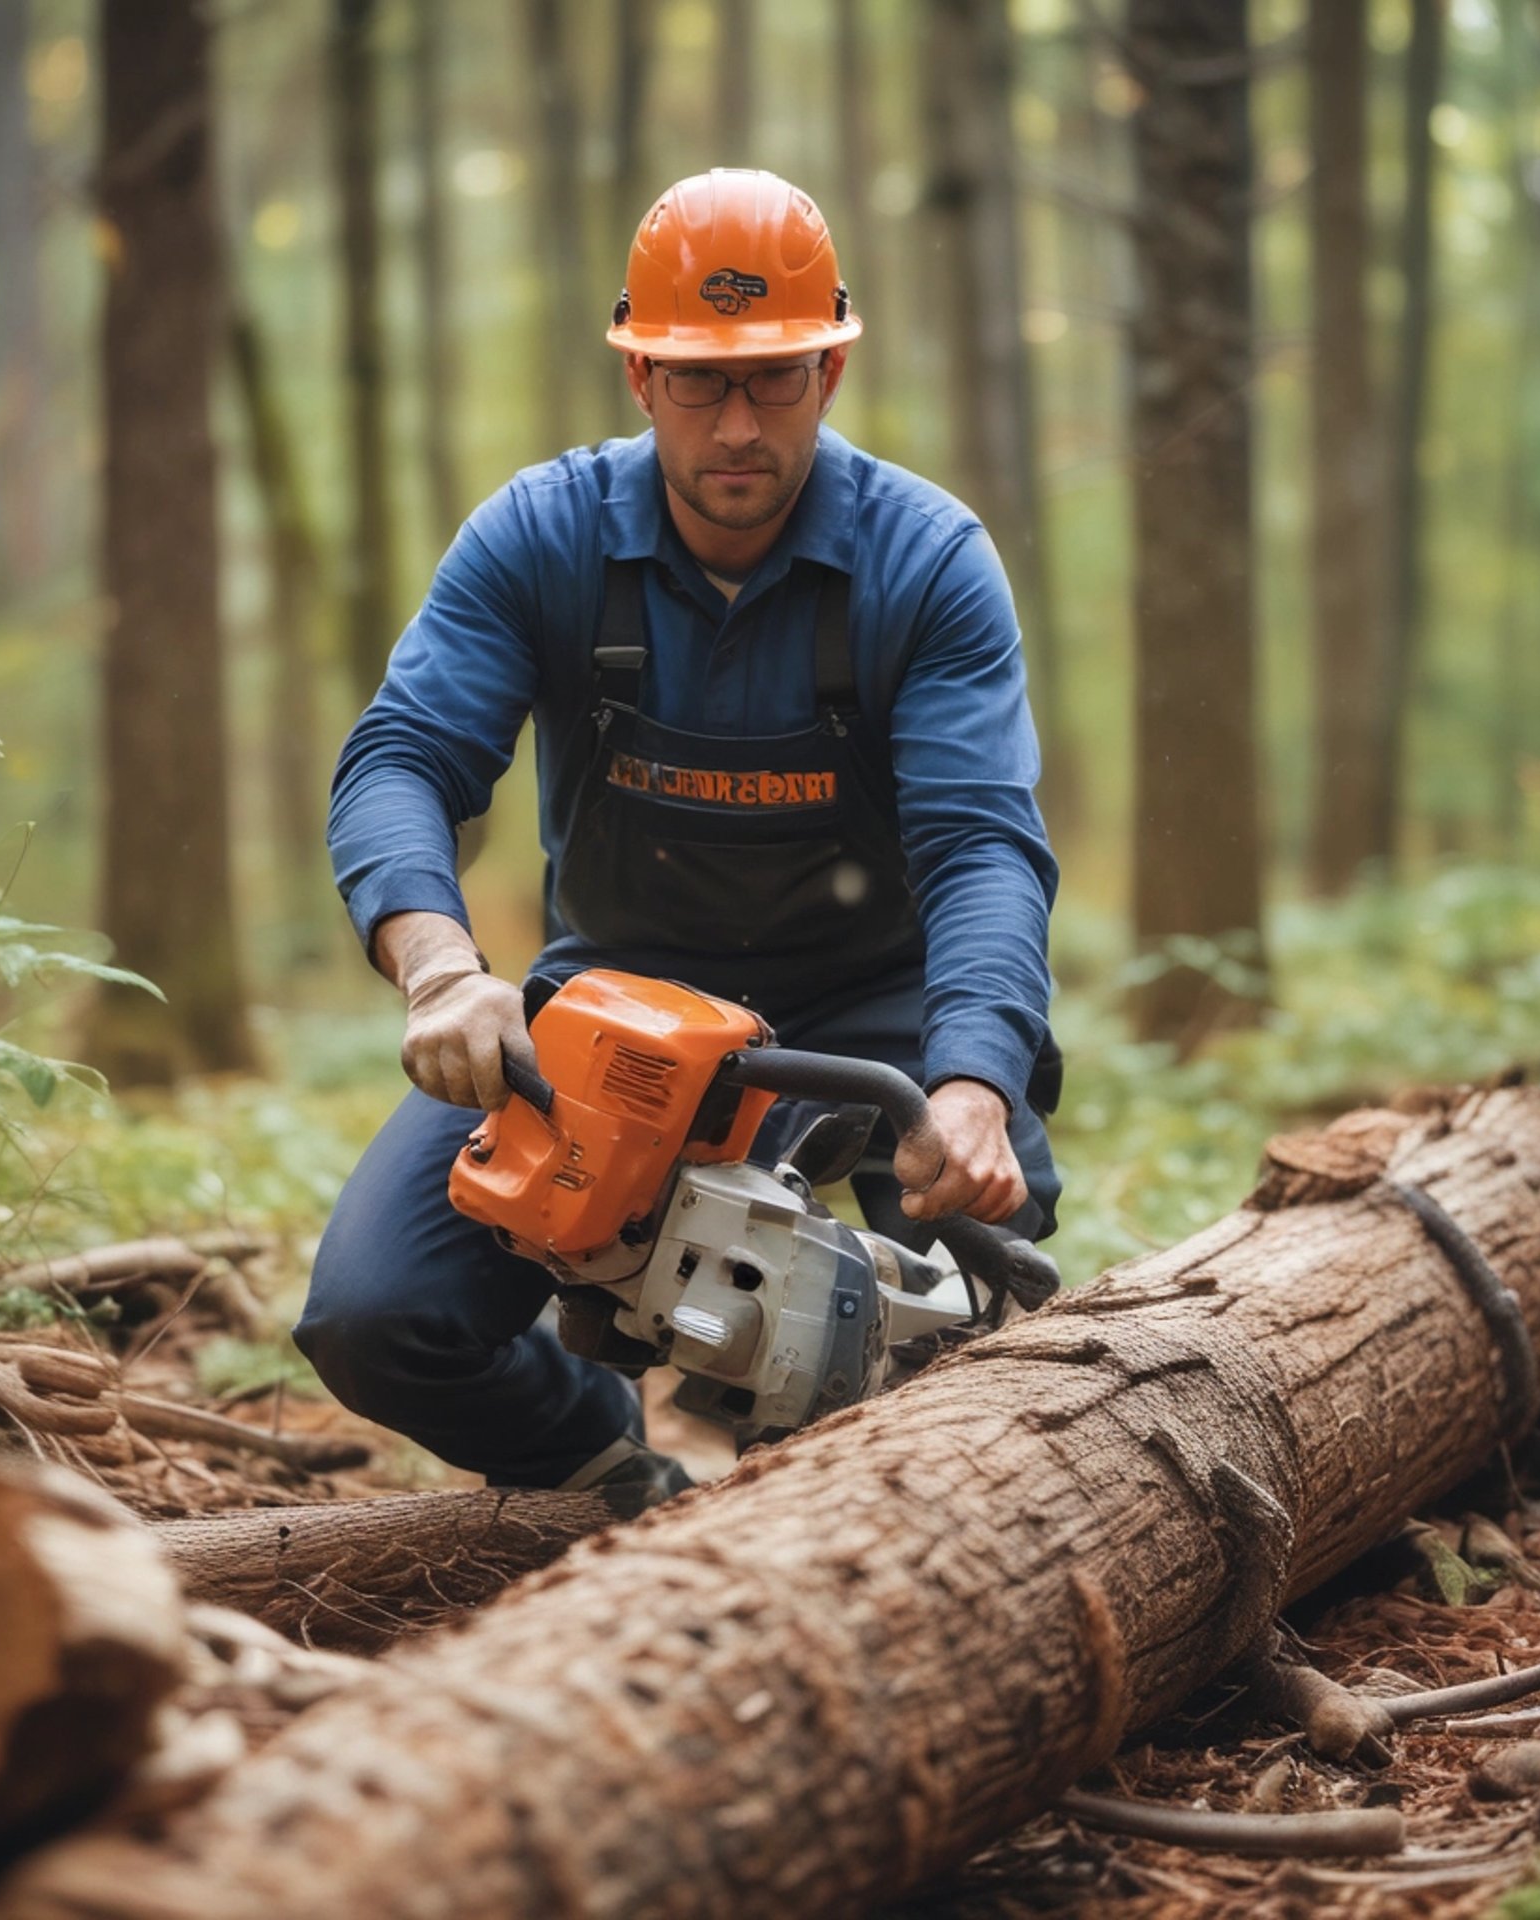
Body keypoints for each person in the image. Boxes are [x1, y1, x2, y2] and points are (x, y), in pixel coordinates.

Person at [295, 168, 1061, 1508]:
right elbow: (402, 760)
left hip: (866, 1025)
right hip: (607, 1009)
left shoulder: (928, 562)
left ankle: (840, 1487)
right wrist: (438, 967)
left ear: (830, 366)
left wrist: (973, 1083)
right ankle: (607, 1475)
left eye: (773, 380)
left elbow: (981, 845)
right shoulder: (539, 538)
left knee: (966, 1316)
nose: (738, 424)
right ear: (641, 376)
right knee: (377, 1316)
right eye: (700, 383)